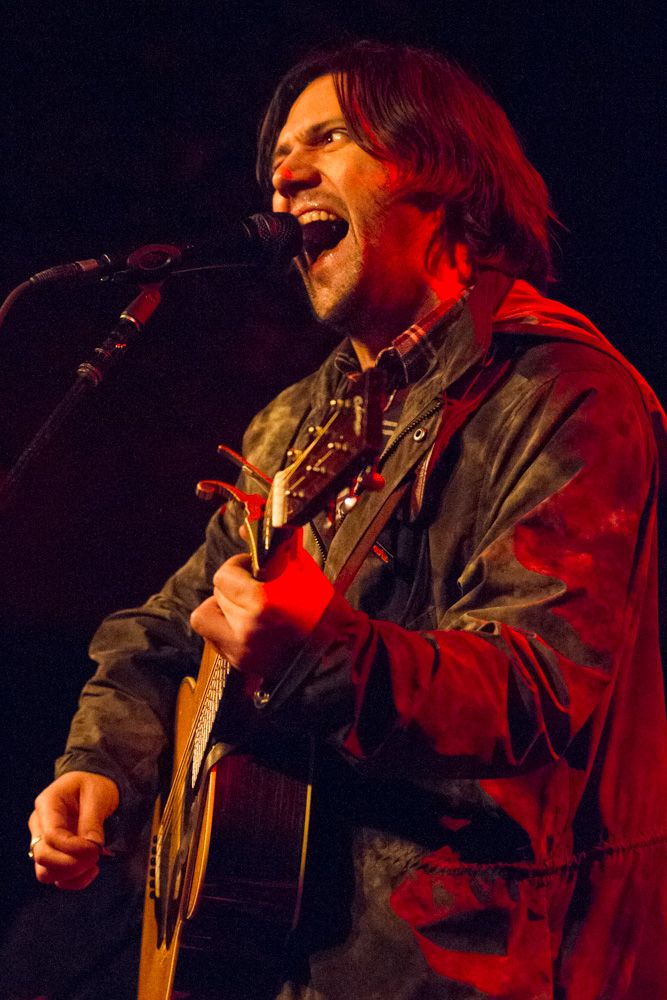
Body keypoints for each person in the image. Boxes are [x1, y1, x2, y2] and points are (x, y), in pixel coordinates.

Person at [27, 41, 667, 999]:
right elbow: (165, 631)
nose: (283, 180)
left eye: (327, 140)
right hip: (292, 948)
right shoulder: (296, 418)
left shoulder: (566, 394)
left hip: (487, 955)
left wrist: (316, 649)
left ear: (440, 168)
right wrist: (103, 768)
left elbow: (538, 688)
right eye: (279, 159)